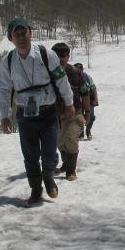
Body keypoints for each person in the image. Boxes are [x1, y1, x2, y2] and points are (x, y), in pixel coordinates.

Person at [0, 18, 75, 205]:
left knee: (50, 155)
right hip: (25, 116)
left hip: (48, 113)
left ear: (31, 33)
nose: (21, 37)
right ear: (10, 38)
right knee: (30, 156)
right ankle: (36, 190)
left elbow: (61, 80)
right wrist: (4, 115)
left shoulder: (47, 55)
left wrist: (69, 102)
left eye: (24, 32)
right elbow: (2, 89)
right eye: (17, 34)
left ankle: (48, 176)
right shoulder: (7, 62)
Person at [51, 43, 91, 181]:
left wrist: (87, 112)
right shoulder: (47, 73)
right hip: (57, 115)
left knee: (71, 139)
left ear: (68, 56)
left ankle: (70, 171)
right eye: (57, 55)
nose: (61, 58)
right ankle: (65, 165)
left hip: (76, 113)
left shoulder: (76, 73)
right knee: (61, 143)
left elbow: (85, 92)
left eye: (64, 55)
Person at [74, 62, 99, 140]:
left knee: (91, 116)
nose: (78, 71)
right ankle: (80, 134)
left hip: (89, 99)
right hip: (78, 101)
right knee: (80, 117)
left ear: (82, 70)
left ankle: (88, 131)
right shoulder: (72, 77)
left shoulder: (87, 77)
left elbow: (93, 88)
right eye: (76, 70)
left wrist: (96, 99)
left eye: (80, 69)